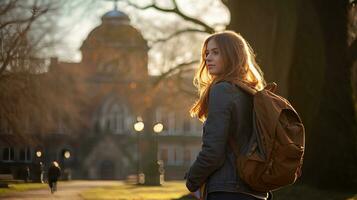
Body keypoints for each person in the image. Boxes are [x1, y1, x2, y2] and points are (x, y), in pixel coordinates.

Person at [185, 31, 270, 200]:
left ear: (232, 55)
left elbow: (213, 152)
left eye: (216, 52)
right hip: (255, 190)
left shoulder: (223, 89)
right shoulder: (252, 92)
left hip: (228, 189)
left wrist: (191, 180)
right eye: (207, 53)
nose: (208, 58)